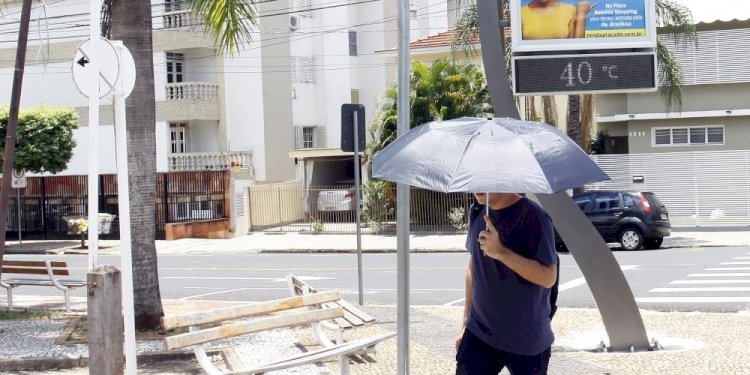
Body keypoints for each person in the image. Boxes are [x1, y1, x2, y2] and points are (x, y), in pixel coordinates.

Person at [455, 192, 558, 375]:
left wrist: (501, 252)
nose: (475, 186)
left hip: (527, 340)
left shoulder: (534, 216)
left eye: (483, 177)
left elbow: (548, 276)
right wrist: (465, 323)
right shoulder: (478, 211)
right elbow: (473, 269)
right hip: (480, 334)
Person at [520, 0, 598, 40]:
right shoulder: (520, 13)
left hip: (562, 67)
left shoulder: (569, 10)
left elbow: (576, 48)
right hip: (530, 67)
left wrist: (581, 16)